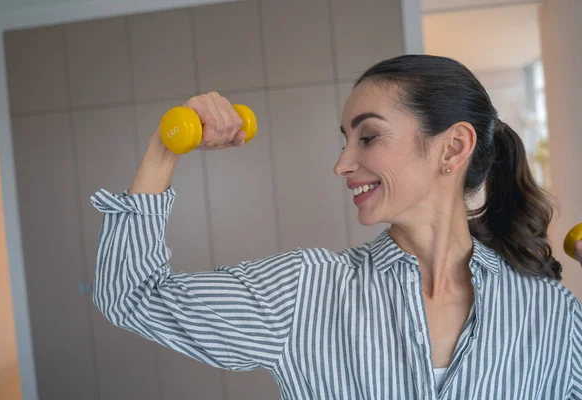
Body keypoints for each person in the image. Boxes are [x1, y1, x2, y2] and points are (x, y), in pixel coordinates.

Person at [90, 55, 582, 399]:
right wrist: (164, 147)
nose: (342, 164)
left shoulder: (550, 311)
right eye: (345, 140)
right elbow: (131, 294)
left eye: (368, 136)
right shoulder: (303, 291)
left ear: (452, 148)